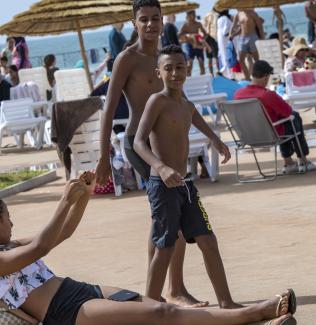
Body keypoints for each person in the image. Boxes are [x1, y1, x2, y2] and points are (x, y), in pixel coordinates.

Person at [0, 171, 297, 325]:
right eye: (8, 218)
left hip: (77, 291)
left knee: (156, 309)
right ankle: (257, 313)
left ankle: (254, 320)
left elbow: (61, 235)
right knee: (163, 316)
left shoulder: (7, 245)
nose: (12, 224)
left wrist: (83, 196)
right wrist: (62, 199)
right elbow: (41, 245)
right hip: (65, 314)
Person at [97, 0, 221, 308]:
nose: (151, 24)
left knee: (163, 219)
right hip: (139, 145)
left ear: (163, 20)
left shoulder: (168, 56)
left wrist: (214, 137)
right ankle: (170, 291)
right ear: (134, 22)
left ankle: (166, 291)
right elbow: (109, 108)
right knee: (169, 218)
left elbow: (184, 101)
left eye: (156, 18)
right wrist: (102, 156)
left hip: (166, 146)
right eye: (144, 20)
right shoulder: (127, 59)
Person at [134, 44, 242, 309]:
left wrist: (216, 140)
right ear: (158, 72)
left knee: (208, 240)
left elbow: (194, 118)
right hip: (162, 185)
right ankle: (149, 309)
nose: (174, 73)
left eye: (179, 67)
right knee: (165, 246)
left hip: (185, 185)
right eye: (168, 68)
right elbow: (138, 141)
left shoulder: (186, 103)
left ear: (187, 69)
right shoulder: (156, 101)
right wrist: (160, 167)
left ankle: (226, 302)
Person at [234, 60, 316, 173]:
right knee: (294, 117)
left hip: (248, 137)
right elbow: (288, 112)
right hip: (269, 135)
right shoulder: (267, 95)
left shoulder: (238, 95)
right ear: (265, 77)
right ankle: (303, 160)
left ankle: (289, 163)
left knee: (283, 121)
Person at [230, 9, 264, 80]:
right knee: (241, 59)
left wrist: (262, 38)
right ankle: (247, 78)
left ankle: (258, 77)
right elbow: (235, 27)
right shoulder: (238, 14)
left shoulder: (252, 13)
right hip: (242, 38)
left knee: (256, 60)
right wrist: (231, 34)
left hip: (252, 37)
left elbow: (260, 26)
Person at [179, 10, 207, 76]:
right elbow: (179, 36)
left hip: (198, 44)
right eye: (193, 14)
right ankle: (188, 81)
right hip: (189, 45)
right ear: (188, 15)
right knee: (190, 64)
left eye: (195, 14)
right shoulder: (185, 25)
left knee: (201, 63)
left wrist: (202, 40)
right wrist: (187, 37)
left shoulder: (198, 24)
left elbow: (205, 34)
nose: (194, 16)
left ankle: (203, 80)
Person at [216, 9, 233, 78]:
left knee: (222, 55)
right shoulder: (225, 18)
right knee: (226, 55)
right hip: (224, 38)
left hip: (219, 37)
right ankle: (229, 75)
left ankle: (225, 73)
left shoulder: (219, 19)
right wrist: (231, 34)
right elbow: (225, 31)